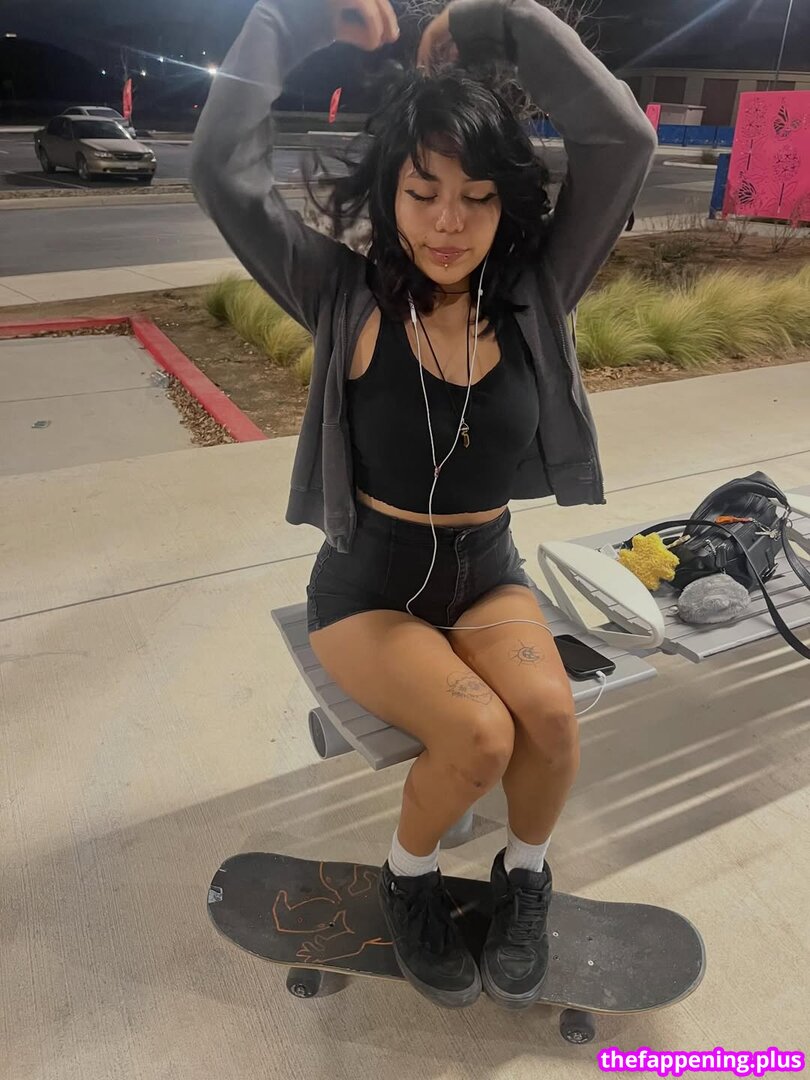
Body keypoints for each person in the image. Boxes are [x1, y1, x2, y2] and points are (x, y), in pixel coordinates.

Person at [191, 0, 656, 1012]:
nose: (450, 222)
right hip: (369, 590)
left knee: (550, 716)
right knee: (480, 735)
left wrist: (507, 23)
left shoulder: (535, 290)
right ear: (390, 190)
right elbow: (221, 170)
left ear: (506, 204)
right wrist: (289, 22)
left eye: (478, 197)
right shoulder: (341, 291)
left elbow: (623, 140)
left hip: (487, 573)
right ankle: (409, 884)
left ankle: (523, 875)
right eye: (424, 192)